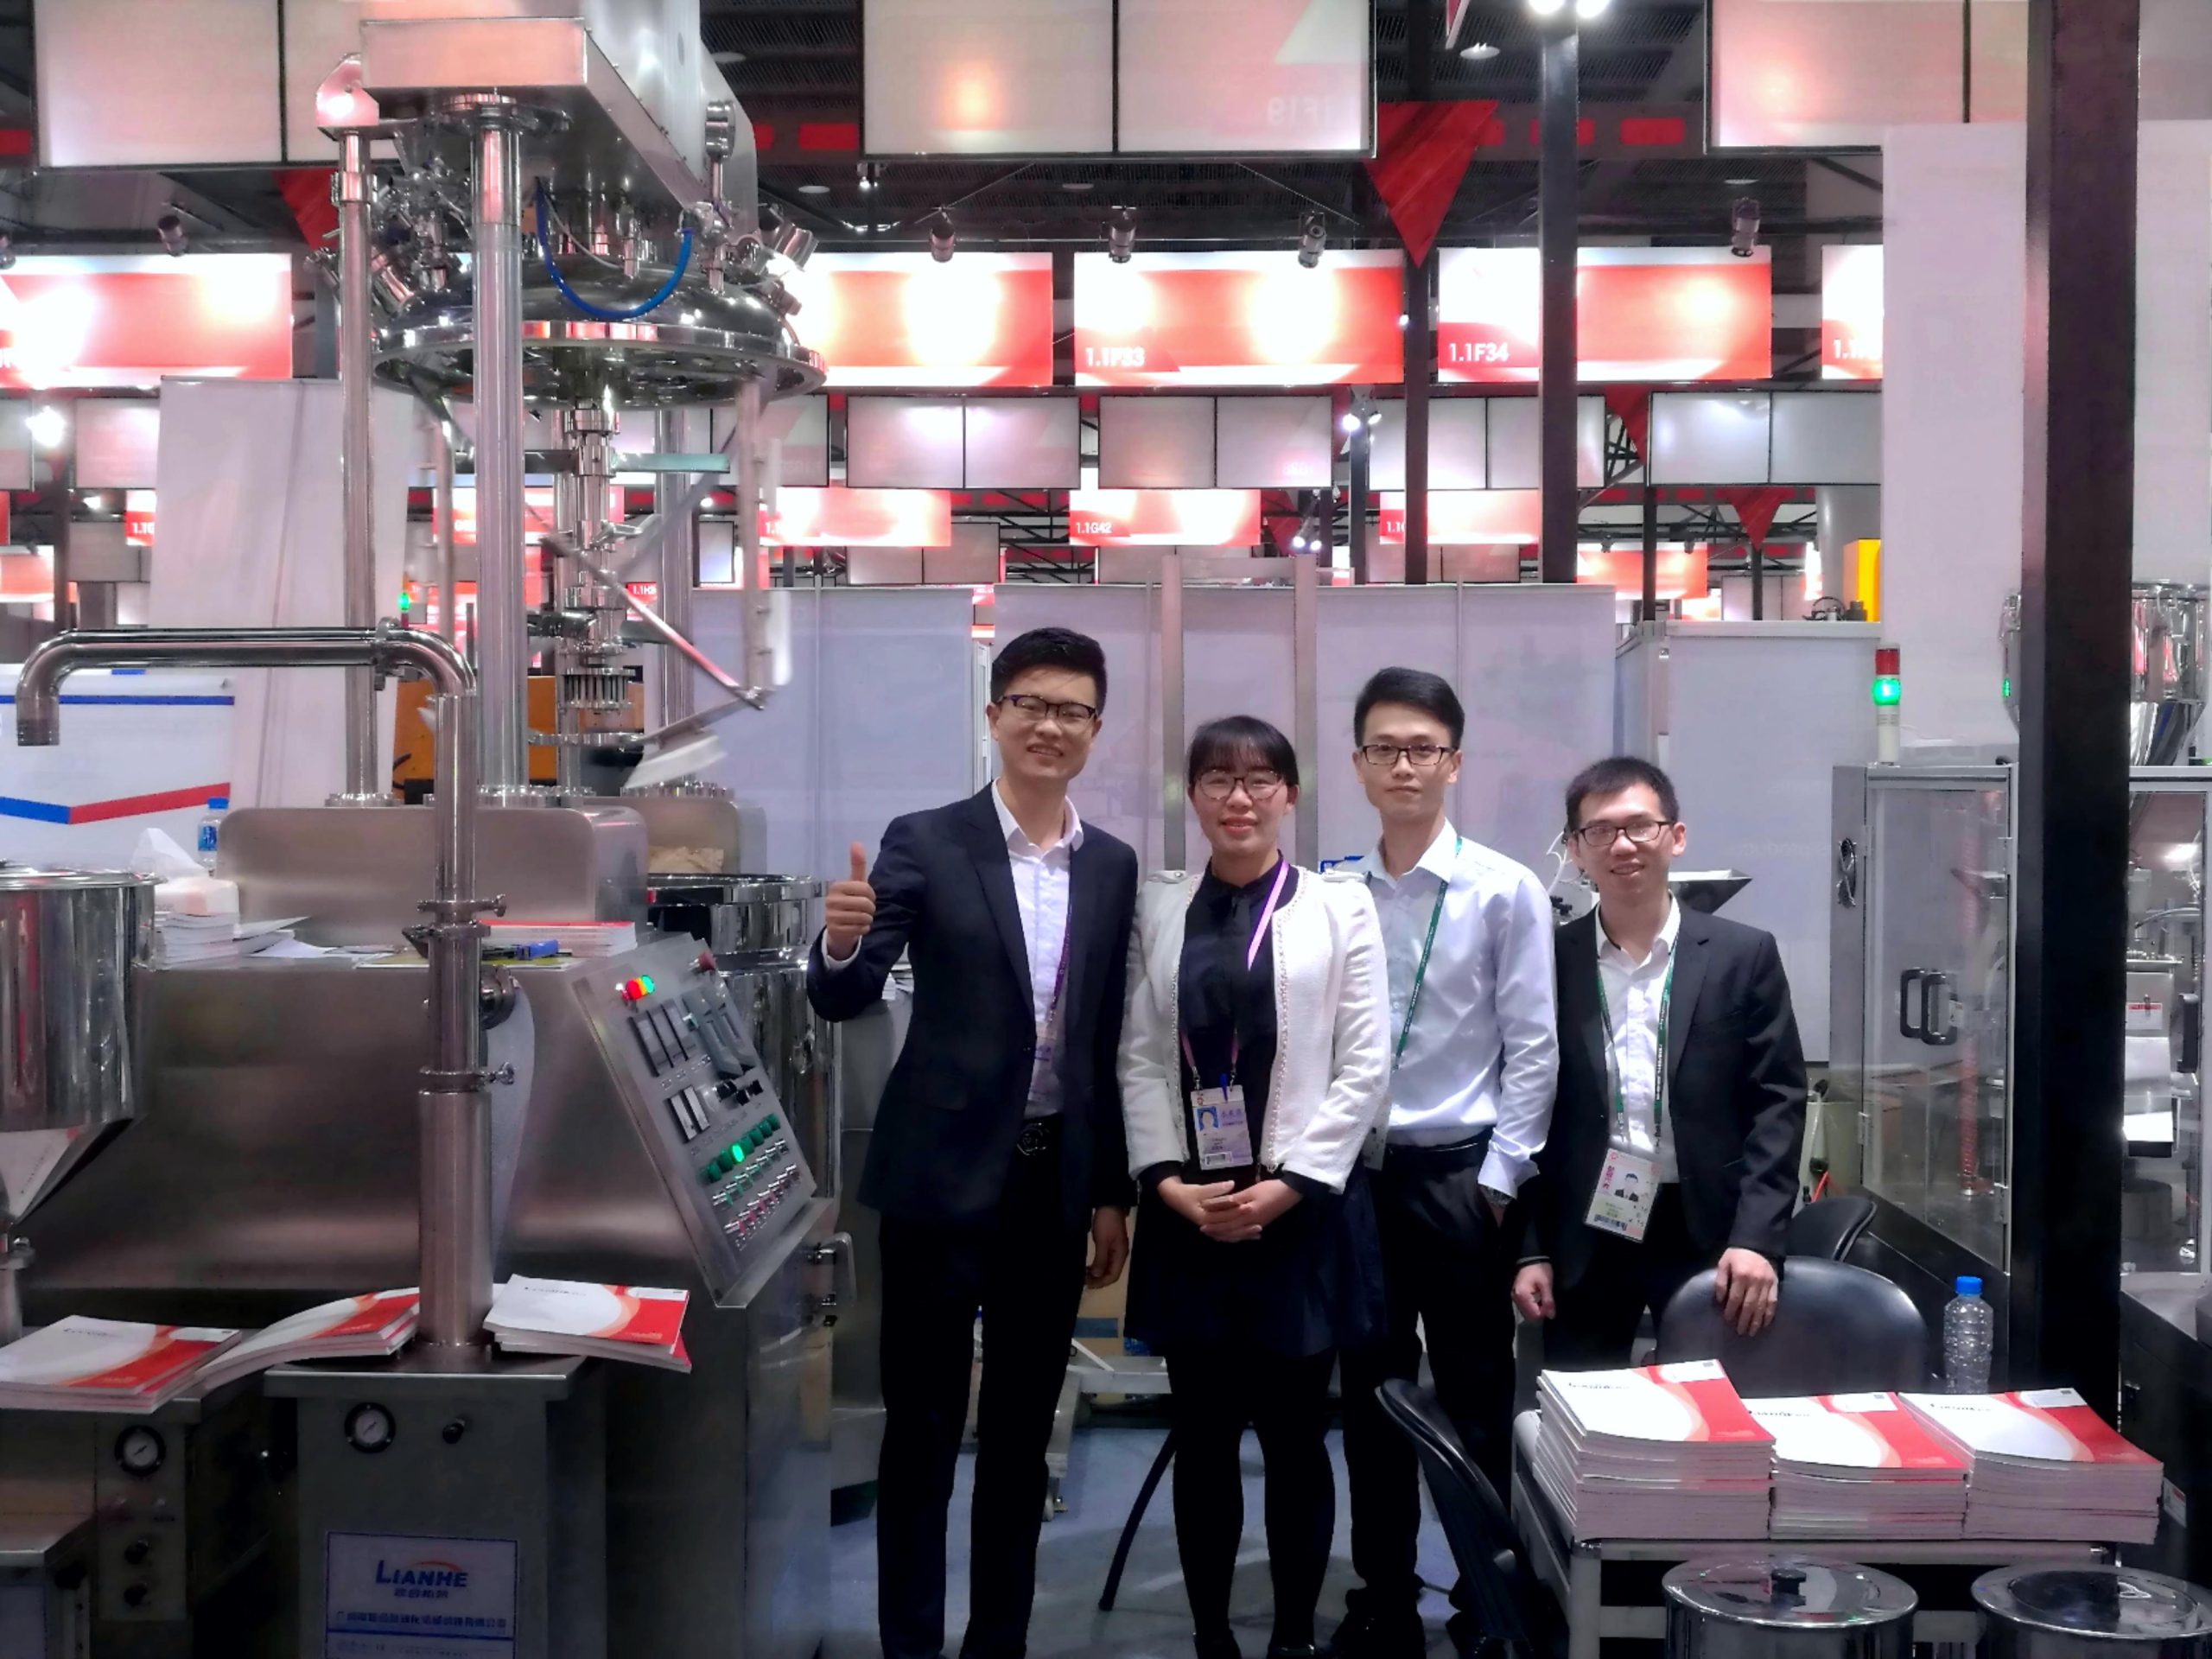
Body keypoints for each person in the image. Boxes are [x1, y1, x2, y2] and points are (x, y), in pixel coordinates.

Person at [807, 626, 1140, 1659]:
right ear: (994, 715)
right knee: (919, 1432)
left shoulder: (1112, 866)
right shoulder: (927, 840)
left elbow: (1102, 1040)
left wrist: (1111, 1190)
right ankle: (910, 1644)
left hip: (1051, 1185)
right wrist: (842, 940)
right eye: (1030, 705)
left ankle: (999, 1639)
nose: (1050, 726)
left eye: (1071, 710)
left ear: (1094, 729)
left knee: (1020, 1436)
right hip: (938, 1184)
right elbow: (845, 996)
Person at [1120, 715, 1391, 1659]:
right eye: (1217, 779)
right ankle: (1210, 1636)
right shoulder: (1160, 907)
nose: (1239, 797)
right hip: (1188, 1214)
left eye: (1259, 779)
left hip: (1300, 1215)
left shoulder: (1339, 908)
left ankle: (1290, 1638)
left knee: (1294, 1438)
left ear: (1290, 795)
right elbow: (1138, 1055)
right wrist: (1165, 1181)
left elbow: (1364, 1064)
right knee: (1202, 1438)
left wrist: (1291, 1185)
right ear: (1192, 795)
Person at [1331, 667, 1559, 1659]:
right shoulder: (1333, 891)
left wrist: (1499, 1181)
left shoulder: (1504, 889)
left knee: (1475, 1400)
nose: (1403, 766)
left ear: (1453, 764)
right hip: (1357, 1182)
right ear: (1358, 765)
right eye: (1385, 749)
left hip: (1462, 1179)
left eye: (1422, 749)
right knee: (1369, 1399)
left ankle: (1483, 1601)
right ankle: (1384, 1596)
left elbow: (1533, 1046)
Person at [1514, 755, 1808, 1370]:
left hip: (1708, 1227)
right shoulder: (1547, 959)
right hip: (1585, 1226)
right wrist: (1529, 1248)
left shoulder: (1742, 955)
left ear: (1676, 836)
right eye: (1600, 830)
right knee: (1585, 1406)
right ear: (1575, 849)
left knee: (1708, 1405)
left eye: (1640, 826)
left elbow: (1776, 1103)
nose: (1622, 845)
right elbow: (1524, 1105)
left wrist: (1757, 1239)